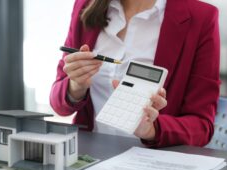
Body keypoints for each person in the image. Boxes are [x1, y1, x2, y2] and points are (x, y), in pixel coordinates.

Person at [50, 0, 220, 147]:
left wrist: (154, 129)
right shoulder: (86, 6)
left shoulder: (201, 17)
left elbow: (202, 127)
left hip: (153, 164)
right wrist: (76, 87)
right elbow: (58, 104)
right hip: (90, 158)